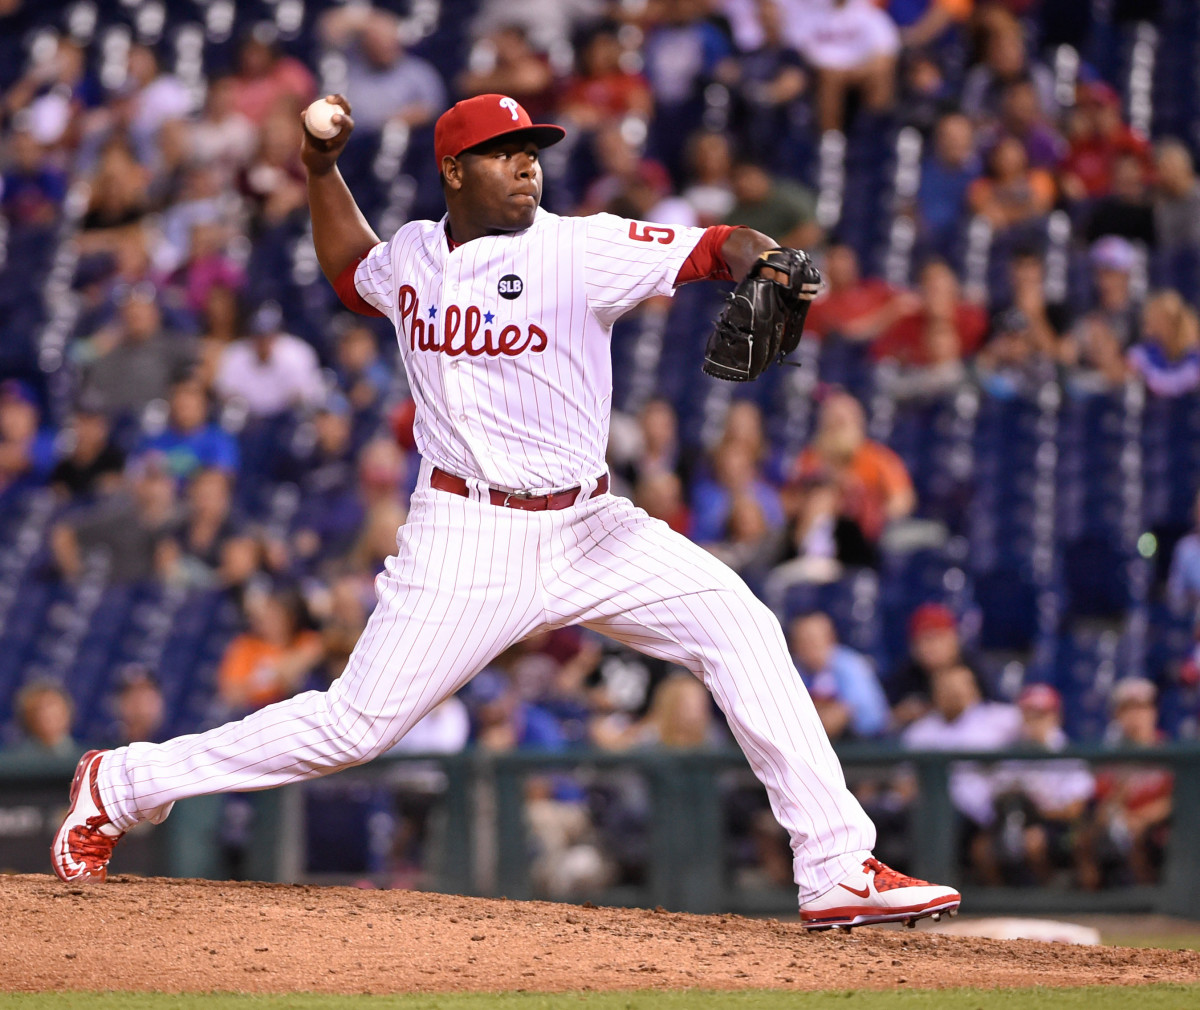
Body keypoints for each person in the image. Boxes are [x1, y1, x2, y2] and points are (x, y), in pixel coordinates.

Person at [53, 92, 959, 930]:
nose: (528, 165)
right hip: (466, 535)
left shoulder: (578, 246)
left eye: (532, 151)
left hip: (593, 526)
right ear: (454, 171)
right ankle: (126, 782)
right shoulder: (410, 252)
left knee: (742, 626)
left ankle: (836, 864)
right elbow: (348, 272)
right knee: (353, 727)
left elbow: (716, 245)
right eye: (503, 152)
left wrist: (776, 261)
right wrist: (321, 171)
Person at [788, 612, 890, 740]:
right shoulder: (791, 669)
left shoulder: (849, 665)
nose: (809, 646)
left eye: (814, 639)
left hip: (867, 743)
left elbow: (845, 715)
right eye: (802, 641)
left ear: (830, 638)